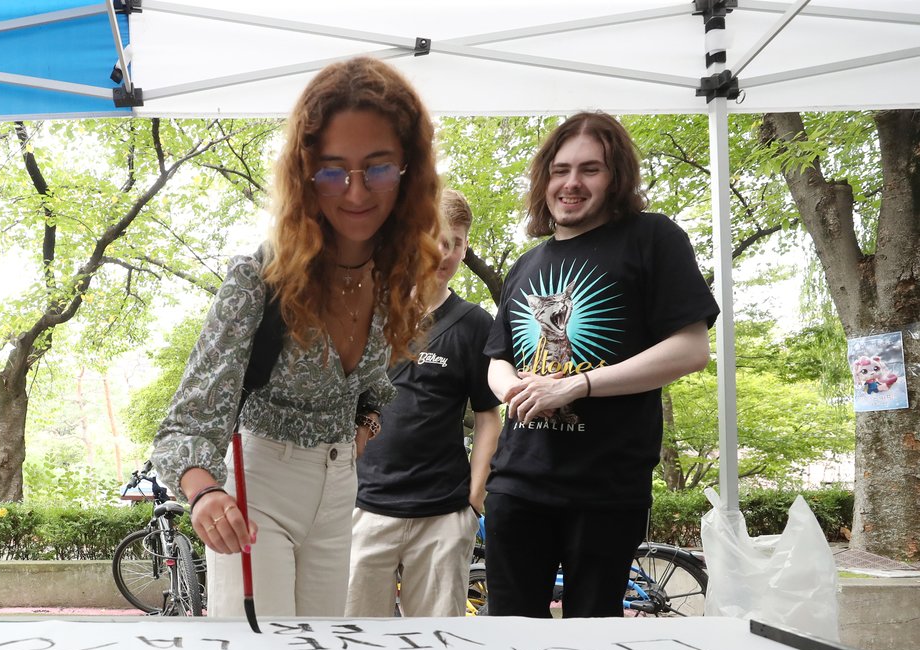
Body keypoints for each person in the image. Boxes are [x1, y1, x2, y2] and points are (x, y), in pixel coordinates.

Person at [151, 56, 442, 618]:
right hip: (257, 488)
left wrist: (363, 429)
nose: (356, 192)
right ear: (305, 175)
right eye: (333, 170)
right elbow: (186, 423)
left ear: (409, 169)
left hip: (339, 493)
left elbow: (375, 389)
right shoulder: (259, 280)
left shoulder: (396, 279)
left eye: (378, 168)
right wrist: (204, 492)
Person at [482, 111, 718, 617]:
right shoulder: (528, 263)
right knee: (506, 635)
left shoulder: (653, 238)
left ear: (616, 179)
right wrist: (512, 390)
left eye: (590, 169)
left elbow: (691, 348)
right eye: (560, 169)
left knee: (593, 638)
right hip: (516, 483)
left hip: (605, 489)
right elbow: (497, 357)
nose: (571, 183)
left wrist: (573, 387)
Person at [346, 188, 500, 617]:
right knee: (354, 643)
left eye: (457, 241)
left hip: (443, 515)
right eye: (435, 238)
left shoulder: (474, 324)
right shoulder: (371, 314)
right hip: (363, 509)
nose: (445, 252)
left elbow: (488, 416)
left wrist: (474, 498)